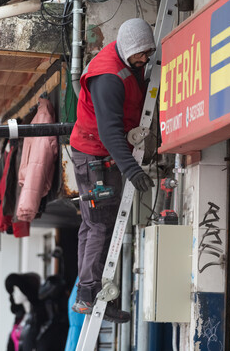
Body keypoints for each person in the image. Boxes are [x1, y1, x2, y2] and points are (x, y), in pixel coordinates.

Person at [69, 18, 156, 323]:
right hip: (94, 156)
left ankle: (90, 295)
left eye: (148, 53)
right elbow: (109, 132)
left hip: (98, 154)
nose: (145, 59)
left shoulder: (128, 62)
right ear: (128, 49)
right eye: (141, 54)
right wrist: (131, 169)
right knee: (101, 226)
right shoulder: (107, 77)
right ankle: (89, 294)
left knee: (92, 225)